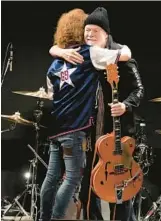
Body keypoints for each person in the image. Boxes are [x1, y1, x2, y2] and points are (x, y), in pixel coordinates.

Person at [48, 7, 144, 221]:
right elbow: (55, 48)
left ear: (106, 34)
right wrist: (59, 51)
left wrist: (126, 105)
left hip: (120, 134)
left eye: (94, 31)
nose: (89, 34)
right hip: (92, 131)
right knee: (87, 185)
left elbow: (139, 90)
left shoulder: (121, 56)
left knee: (120, 189)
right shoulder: (86, 53)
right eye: (86, 30)